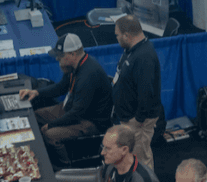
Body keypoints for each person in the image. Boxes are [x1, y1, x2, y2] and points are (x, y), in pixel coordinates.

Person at [21, 34, 113, 166]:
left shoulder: (88, 75)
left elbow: (76, 114)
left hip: (91, 122)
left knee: (49, 134)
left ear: (72, 54)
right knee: (35, 116)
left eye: (60, 55)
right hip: (72, 109)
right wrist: (36, 92)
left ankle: (64, 166)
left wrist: (52, 125)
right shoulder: (73, 66)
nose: (57, 58)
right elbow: (61, 87)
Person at [111, 15, 162, 171]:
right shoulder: (131, 49)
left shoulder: (144, 57)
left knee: (141, 160)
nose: (117, 39)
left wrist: (138, 120)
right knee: (134, 157)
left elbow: (147, 93)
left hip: (138, 121)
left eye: (117, 35)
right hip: (130, 118)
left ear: (127, 36)